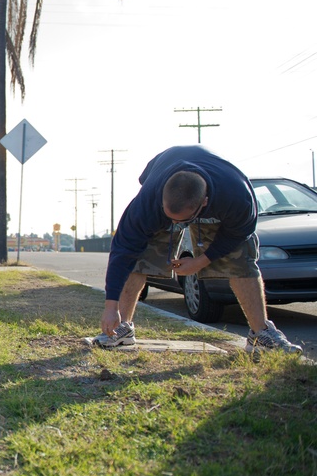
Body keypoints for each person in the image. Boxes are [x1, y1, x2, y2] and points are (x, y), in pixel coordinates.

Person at [97, 145, 303, 354]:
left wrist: (201, 260)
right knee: (138, 259)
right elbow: (122, 252)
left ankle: (261, 334)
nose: (174, 224)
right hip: (162, 175)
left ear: (204, 203)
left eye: (181, 220)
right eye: (169, 217)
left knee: (240, 261)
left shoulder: (237, 196)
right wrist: (110, 308)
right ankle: (121, 328)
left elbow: (238, 234)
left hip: (219, 197)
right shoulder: (147, 203)